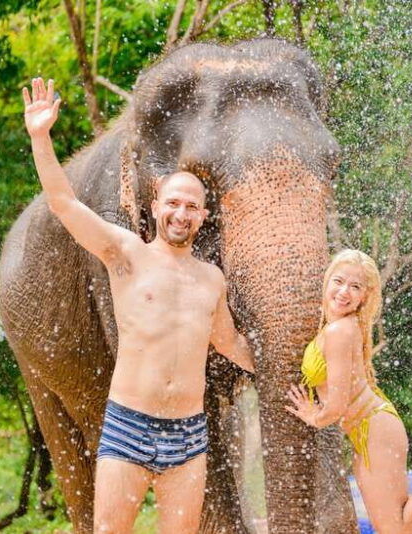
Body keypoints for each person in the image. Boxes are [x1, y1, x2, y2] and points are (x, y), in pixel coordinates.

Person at [22, 77, 255, 533]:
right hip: (129, 424)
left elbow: (230, 342)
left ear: (203, 216)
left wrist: (285, 367)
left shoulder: (211, 280)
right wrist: (40, 138)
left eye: (192, 206)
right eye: (174, 202)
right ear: (156, 205)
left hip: (188, 435)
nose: (181, 213)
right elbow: (64, 203)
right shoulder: (126, 254)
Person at [286, 249, 412, 534]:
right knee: (394, 527)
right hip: (370, 430)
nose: (344, 291)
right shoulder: (335, 327)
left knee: (395, 528)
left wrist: (313, 417)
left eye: (355, 286)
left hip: (375, 429)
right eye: (339, 281)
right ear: (327, 282)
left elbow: (336, 406)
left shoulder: (340, 331)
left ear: (364, 296)